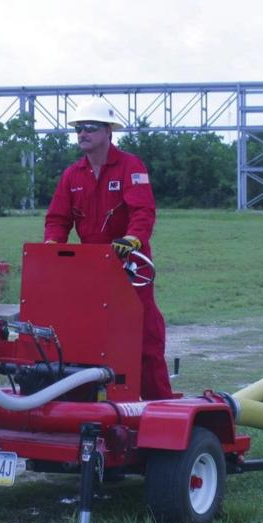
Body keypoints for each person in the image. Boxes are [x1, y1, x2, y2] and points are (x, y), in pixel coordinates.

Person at [43, 97, 173, 400]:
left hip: (131, 264)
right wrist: (52, 244)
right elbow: (57, 218)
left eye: (90, 127)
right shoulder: (72, 175)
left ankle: (159, 405)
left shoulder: (131, 166)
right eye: (79, 129)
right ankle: (97, 401)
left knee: (144, 336)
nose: (83, 133)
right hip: (90, 265)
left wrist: (132, 240)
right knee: (89, 335)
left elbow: (143, 211)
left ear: (108, 131)